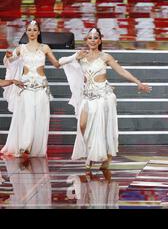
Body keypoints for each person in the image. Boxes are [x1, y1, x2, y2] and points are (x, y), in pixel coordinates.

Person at [59, 28, 151, 170]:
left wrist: (138, 82)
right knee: (82, 125)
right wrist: (74, 56)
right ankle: (90, 153)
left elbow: (121, 71)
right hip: (87, 97)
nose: (92, 40)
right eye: (90, 38)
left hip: (103, 97)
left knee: (103, 128)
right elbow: (60, 62)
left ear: (100, 40)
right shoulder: (81, 56)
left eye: (95, 38)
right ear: (86, 40)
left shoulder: (105, 57)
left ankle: (104, 158)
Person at [1, 20, 61, 157]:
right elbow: (10, 62)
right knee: (28, 115)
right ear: (26, 31)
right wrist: (8, 57)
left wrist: (74, 58)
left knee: (39, 117)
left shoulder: (45, 47)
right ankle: (24, 146)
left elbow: (56, 64)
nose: (32, 32)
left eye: (35, 30)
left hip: (41, 86)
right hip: (25, 85)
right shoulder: (21, 48)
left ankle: (34, 148)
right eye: (29, 29)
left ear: (39, 31)